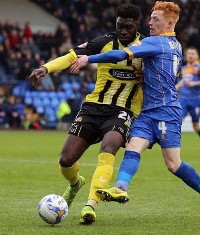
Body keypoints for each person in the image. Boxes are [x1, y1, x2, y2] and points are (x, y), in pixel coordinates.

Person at [70, 1, 200, 222]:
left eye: (155, 19)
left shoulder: (156, 42)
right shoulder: (175, 45)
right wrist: (144, 77)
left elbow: (119, 55)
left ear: (169, 23)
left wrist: (88, 59)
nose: (149, 22)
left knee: (173, 164)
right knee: (133, 147)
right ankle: (120, 187)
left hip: (166, 111)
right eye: (150, 18)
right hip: (148, 112)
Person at [28, 3, 144, 225]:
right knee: (66, 159)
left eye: (128, 26)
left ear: (136, 25)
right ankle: (75, 184)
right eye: (120, 25)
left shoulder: (146, 48)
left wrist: (145, 79)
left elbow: (163, 76)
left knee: (109, 148)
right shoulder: (103, 42)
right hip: (93, 107)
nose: (123, 30)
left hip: (122, 110)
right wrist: (45, 68)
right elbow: (71, 56)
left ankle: (91, 204)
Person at [175, 47, 200, 154]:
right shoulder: (182, 68)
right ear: (186, 56)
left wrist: (195, 83)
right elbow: (180, 83)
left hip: (195, 100)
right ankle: (175, 148)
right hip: (183, 100)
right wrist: (176, 87)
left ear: (196, 56)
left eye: (193, 53)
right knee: (177, 122)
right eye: (189, 53)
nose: (190, 55)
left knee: (196, 126)